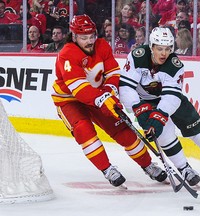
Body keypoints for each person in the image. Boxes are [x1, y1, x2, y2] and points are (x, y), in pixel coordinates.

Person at [51, 14, 167, 188]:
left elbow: (113, 73)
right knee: (84, 130)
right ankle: (107, 169)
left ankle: (147, 164)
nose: (89, 41)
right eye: (84, 38)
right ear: (74, 36)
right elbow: (79, 89)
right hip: (69, 100)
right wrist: (103, 98)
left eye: (91, 36)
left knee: (123, 129)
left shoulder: (102, 46)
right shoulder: (67, 54)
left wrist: (109, 92)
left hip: (98, 95)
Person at [119, 27, 200, 187]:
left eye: (167, 49)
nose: (163, 53)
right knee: (164, 135)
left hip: (172, 100)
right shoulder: (138, 57)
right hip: (146, 101)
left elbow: (171, 97)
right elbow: (126, 87)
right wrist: (139, 109)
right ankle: (184, 168)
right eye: (159, 49)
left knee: (199, 132)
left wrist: (159, 117)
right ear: (151, 47)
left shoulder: (175, 64)